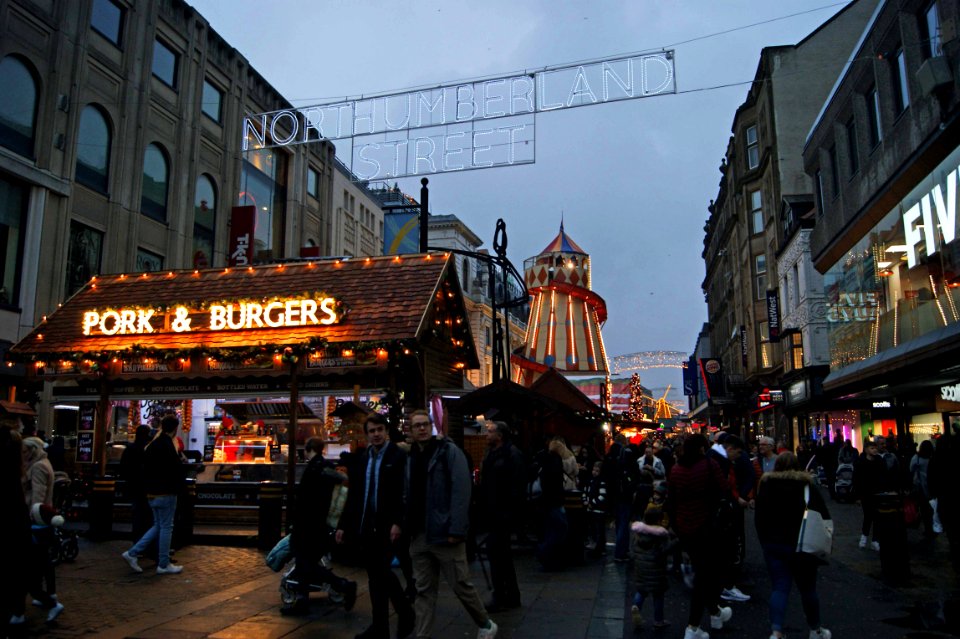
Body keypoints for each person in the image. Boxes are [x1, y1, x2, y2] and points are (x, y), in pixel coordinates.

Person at [404, 409, 498, 639]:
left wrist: (457, 529)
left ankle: (485, 623)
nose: (422, 428)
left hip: (444, 533)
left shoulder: (448, 451)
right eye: (417, 425)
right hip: (419, 534)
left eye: (425, 424)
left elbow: (461, 491)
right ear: (411, 430)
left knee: (461, 585)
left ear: (432, 426)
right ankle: (422, 635)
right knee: (423, 590)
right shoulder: (411, 457)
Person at [336, 413, 413, 639]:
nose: (376, 434)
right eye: (372, 431)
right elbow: (356, 495)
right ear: (367, 434)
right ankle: (385, 624)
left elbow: (403, 492)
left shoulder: (397, 456)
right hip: (366, 525)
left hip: (387, 526)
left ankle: (399, 616)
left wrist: (398, 522)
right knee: (376, 575)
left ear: (386, 431)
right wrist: (343, 525)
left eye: (380, 430)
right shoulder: (364, 458)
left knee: (380, 573)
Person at [755, 452, 832, 639]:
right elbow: (823, 514)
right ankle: (815, 629)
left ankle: (776, 630)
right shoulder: (806, 486)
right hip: (803, 543)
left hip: (774, 544)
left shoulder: (766, 485)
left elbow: (759, 517)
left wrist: (765, 541)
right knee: (808, 589)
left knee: (780, 587)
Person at [282, 437, 357, 615]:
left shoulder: (315, 467)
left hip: (308, 526)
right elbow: (341, 480)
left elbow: (306, 499)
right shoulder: (326, 467)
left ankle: (343, 585)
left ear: (308, 450)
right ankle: (302, 601)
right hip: (319, 524)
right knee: (305, 564)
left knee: (304, 563)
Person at [668, 433, 732, 639]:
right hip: (707, 526)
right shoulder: (709, 465)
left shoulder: (676, 470)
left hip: (685, 528)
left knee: (703, 571)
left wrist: (676, 526)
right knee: (706, 576)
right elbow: (723, 490)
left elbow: (671, 500)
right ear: (702, 449)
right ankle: (693, 627)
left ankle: (715, 613)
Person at [121, 414, 185, 575]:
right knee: (166, 527)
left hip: (151, 492)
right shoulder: (167, 445)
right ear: (175, 428)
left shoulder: (153, 444)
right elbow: (175, 469)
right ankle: (163, 564)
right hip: (166, 491)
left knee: (158, 525)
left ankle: (133, 552)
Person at [478, 420, 524, 611]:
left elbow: (517, 485)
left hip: (503, 512)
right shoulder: (492, 453)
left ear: (500, 435)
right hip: (493, 511)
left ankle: (502, 594)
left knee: (498, 554)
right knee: (500, 554)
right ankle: (509, 594)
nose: (486, 435)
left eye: (490, 431)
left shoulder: (512, 454)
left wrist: (510, 511)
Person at [630, 506, 675, 629]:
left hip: (641, 569)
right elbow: (665, 550)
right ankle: (658, 620)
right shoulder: (661, 536)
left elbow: (633, 551)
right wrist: (676, 542)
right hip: (657, 571)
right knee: (658, 596)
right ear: (659, 520)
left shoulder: (638, 533)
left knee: (641, 591)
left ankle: (636, 607)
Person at [120, 425, 154, 549]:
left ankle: (137, 542)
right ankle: (143, 544)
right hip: (144, 488)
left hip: (133, 487)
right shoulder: (146, 450)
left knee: (138, 517)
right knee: (146, 517)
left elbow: (122, 469)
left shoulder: (130, 449)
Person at [853, 439, 885, 551]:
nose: (875, 450)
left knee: (877, 517)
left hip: (877, 493)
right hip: (866, 494)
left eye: (875, 448)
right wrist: (857, 496)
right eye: (872, 448)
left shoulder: (879, 461)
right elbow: (856, 479)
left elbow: (883, 475)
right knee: (868, 516)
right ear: (866, 450)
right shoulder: (861, 462)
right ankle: (865, 537)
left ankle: (874, 540)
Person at [909, 440, 935, 537]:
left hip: (920, 487)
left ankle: (928, 528)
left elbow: (911, 470)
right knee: (931, 508)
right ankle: (932, 527)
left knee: (924, 509)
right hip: (931, 486)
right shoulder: (932, 458)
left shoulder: (917, 458)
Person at [583, 461, 608, 557]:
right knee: (593, 528)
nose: (594, 472)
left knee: (599, 530)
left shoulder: (601, 482)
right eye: (594, 470)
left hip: (598, 510)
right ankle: (596, 546)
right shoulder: (590, 481)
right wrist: (585, 500)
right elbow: (585, 491)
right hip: (592, 509)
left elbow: (602, 495)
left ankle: (600, 547)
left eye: (597, 471)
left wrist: (591, 503)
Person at [22, 436, 55, 508]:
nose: (22, 455)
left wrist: (35, 514)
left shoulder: (38, 466)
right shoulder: (43, 462)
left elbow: (38, 495)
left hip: (32, 512)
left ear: (33, 451)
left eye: (24, 452)